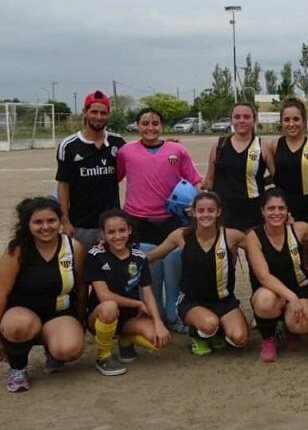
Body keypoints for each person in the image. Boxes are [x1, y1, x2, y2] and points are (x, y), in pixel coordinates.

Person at [147, 191, 275, 357]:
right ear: (193, 212)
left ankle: (218, 332)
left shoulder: (232, 236)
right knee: (209, 323)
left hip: (224, 300)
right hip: (192, 301)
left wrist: (282, 231)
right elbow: (152, 256)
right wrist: (115, 253)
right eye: (201, 211)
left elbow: (261, 248)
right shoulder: (181, 235)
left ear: (218, 212)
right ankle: (197, 335)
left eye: (210, 210)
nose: (205, 214)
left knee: (240, 338)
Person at [116, 107, 203, 330]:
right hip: (138, 220)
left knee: (174, 264)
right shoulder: (126, 152)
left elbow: (195, 180)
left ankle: (175, 313)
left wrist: (200, 205)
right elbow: (113, 179)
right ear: (138, 126)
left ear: (161, 126)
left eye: (155, 123)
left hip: (171, 219)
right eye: (145, 123)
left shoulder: (177, 150)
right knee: (147, 268)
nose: (150, 127)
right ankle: (154, 314)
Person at [0, 197, 86, 392]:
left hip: (59, 313)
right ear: (27, 224)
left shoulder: (73, 248)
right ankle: (18, 366)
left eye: (51, 221)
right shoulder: (17, 251)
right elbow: (1, 292)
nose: (45, 227)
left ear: (60, 221)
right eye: (38, 222)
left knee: (69, 349)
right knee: (18, 326)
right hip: (23, 312)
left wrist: (78, 323)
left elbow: (81, 288)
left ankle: (53, 348)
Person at [85, 209, 170, 375]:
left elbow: (148, 293)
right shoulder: (95, 256)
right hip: (101, 314)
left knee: (158, 339)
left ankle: (125, 341)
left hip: (130, 317)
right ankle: (104, 356)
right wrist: (138, 303)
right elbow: (104, 296)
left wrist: (159, 323)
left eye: (122, 230)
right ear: (103, 234)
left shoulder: (139, 257)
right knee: (109, 306)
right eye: (111, 232)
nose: (118, 236)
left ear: (129, 230)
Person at [250, 189, 308, 363]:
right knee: (265, 301)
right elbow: (263, 277)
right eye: (271, 209)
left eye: (281, 208)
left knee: (302, 324)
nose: (276, 213)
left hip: (299, 287)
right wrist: (291, 297)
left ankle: (290, 329)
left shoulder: (298, 229)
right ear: (262, 211)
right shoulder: (254, 236)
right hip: (270, 291)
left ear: (288, 211)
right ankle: (268, 337)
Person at [56, 90, 125, 249]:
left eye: (103, 113)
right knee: (80, 270)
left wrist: (168, 147)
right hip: (80, 225)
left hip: (111, 225)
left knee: (111, 270)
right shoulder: (69, 145)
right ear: (84, 113)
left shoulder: (118, 142)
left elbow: (140, 156)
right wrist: (65, 221)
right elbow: (63, 185)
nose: (99, 117)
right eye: (94, 112)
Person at [203, 102, 273, 232]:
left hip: (253, 210)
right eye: (237, 117)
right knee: (227, 251)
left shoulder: (263, 146)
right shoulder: (219, 146)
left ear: (254, 119)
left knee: (253, 250)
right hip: (224, 210)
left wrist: (260, 182)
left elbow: (277, 176)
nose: (241, 120)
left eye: (246, 117)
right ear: (231, 120)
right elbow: (209, 180)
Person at [263, 97, 308, 225]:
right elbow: (276, 175)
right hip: (282, 207)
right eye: (287, 120)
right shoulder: (275, 145)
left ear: (304, 121)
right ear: (281, 122)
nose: (291, 124)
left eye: (296, 119)